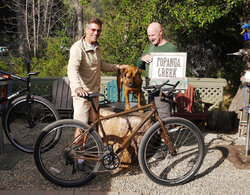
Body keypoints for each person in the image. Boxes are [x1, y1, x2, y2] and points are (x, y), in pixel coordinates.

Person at [67, 18, 128, 168]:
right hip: (82, 95)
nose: (95, 33)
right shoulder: (78, 47)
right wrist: (77, 88)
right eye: (93, 30)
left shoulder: (97, 48)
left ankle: (84, 150)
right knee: (81, 126)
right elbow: (72, 69)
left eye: (98, 30)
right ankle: (78, 158)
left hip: (94, 93)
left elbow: (101, 65)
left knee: (91, 125)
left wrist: (118, 67)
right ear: (86, 30)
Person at [137, 22, 178, 119]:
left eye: (153, 35)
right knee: (152, 117)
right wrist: (142, 58)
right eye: (149, 36)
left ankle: (165, 134)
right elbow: (139, 65)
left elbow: (177, 71)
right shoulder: (150, 47)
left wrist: (172, 88)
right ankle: (154, 135)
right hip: (151, 88)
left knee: (163, 118)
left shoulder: (171, 48)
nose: (151, 38)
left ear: (160, 32)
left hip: (164, 91)